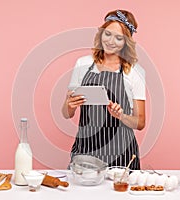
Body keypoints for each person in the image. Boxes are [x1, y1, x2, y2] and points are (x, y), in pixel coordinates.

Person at [62, 10, 145, 170]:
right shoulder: (82, 64)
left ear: (126, 41)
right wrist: (70, 105)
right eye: (107, 34)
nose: (111, 41)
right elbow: (66, 114)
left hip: (122, 153)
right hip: (86, 150)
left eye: (119, 38)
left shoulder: (135, 72)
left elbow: (140, 123)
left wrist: (121, 115)